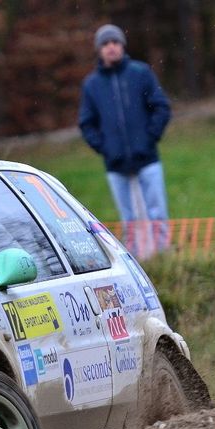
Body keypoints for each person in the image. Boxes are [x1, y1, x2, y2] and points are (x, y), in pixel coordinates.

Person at [79, 24, 172, 258]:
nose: (111, 47)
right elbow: (87, 123)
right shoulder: (92, 85)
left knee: (157, 213)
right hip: (115, 164)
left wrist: (149, 138)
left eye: (115, 42)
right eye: (105, 43)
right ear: (99, 49)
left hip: (147, 158)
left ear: (122, 45)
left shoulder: (141, 73)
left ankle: (163, 258)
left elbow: (161, 107)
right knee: (128, 219)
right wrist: (105, 148)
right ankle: (136, 261)